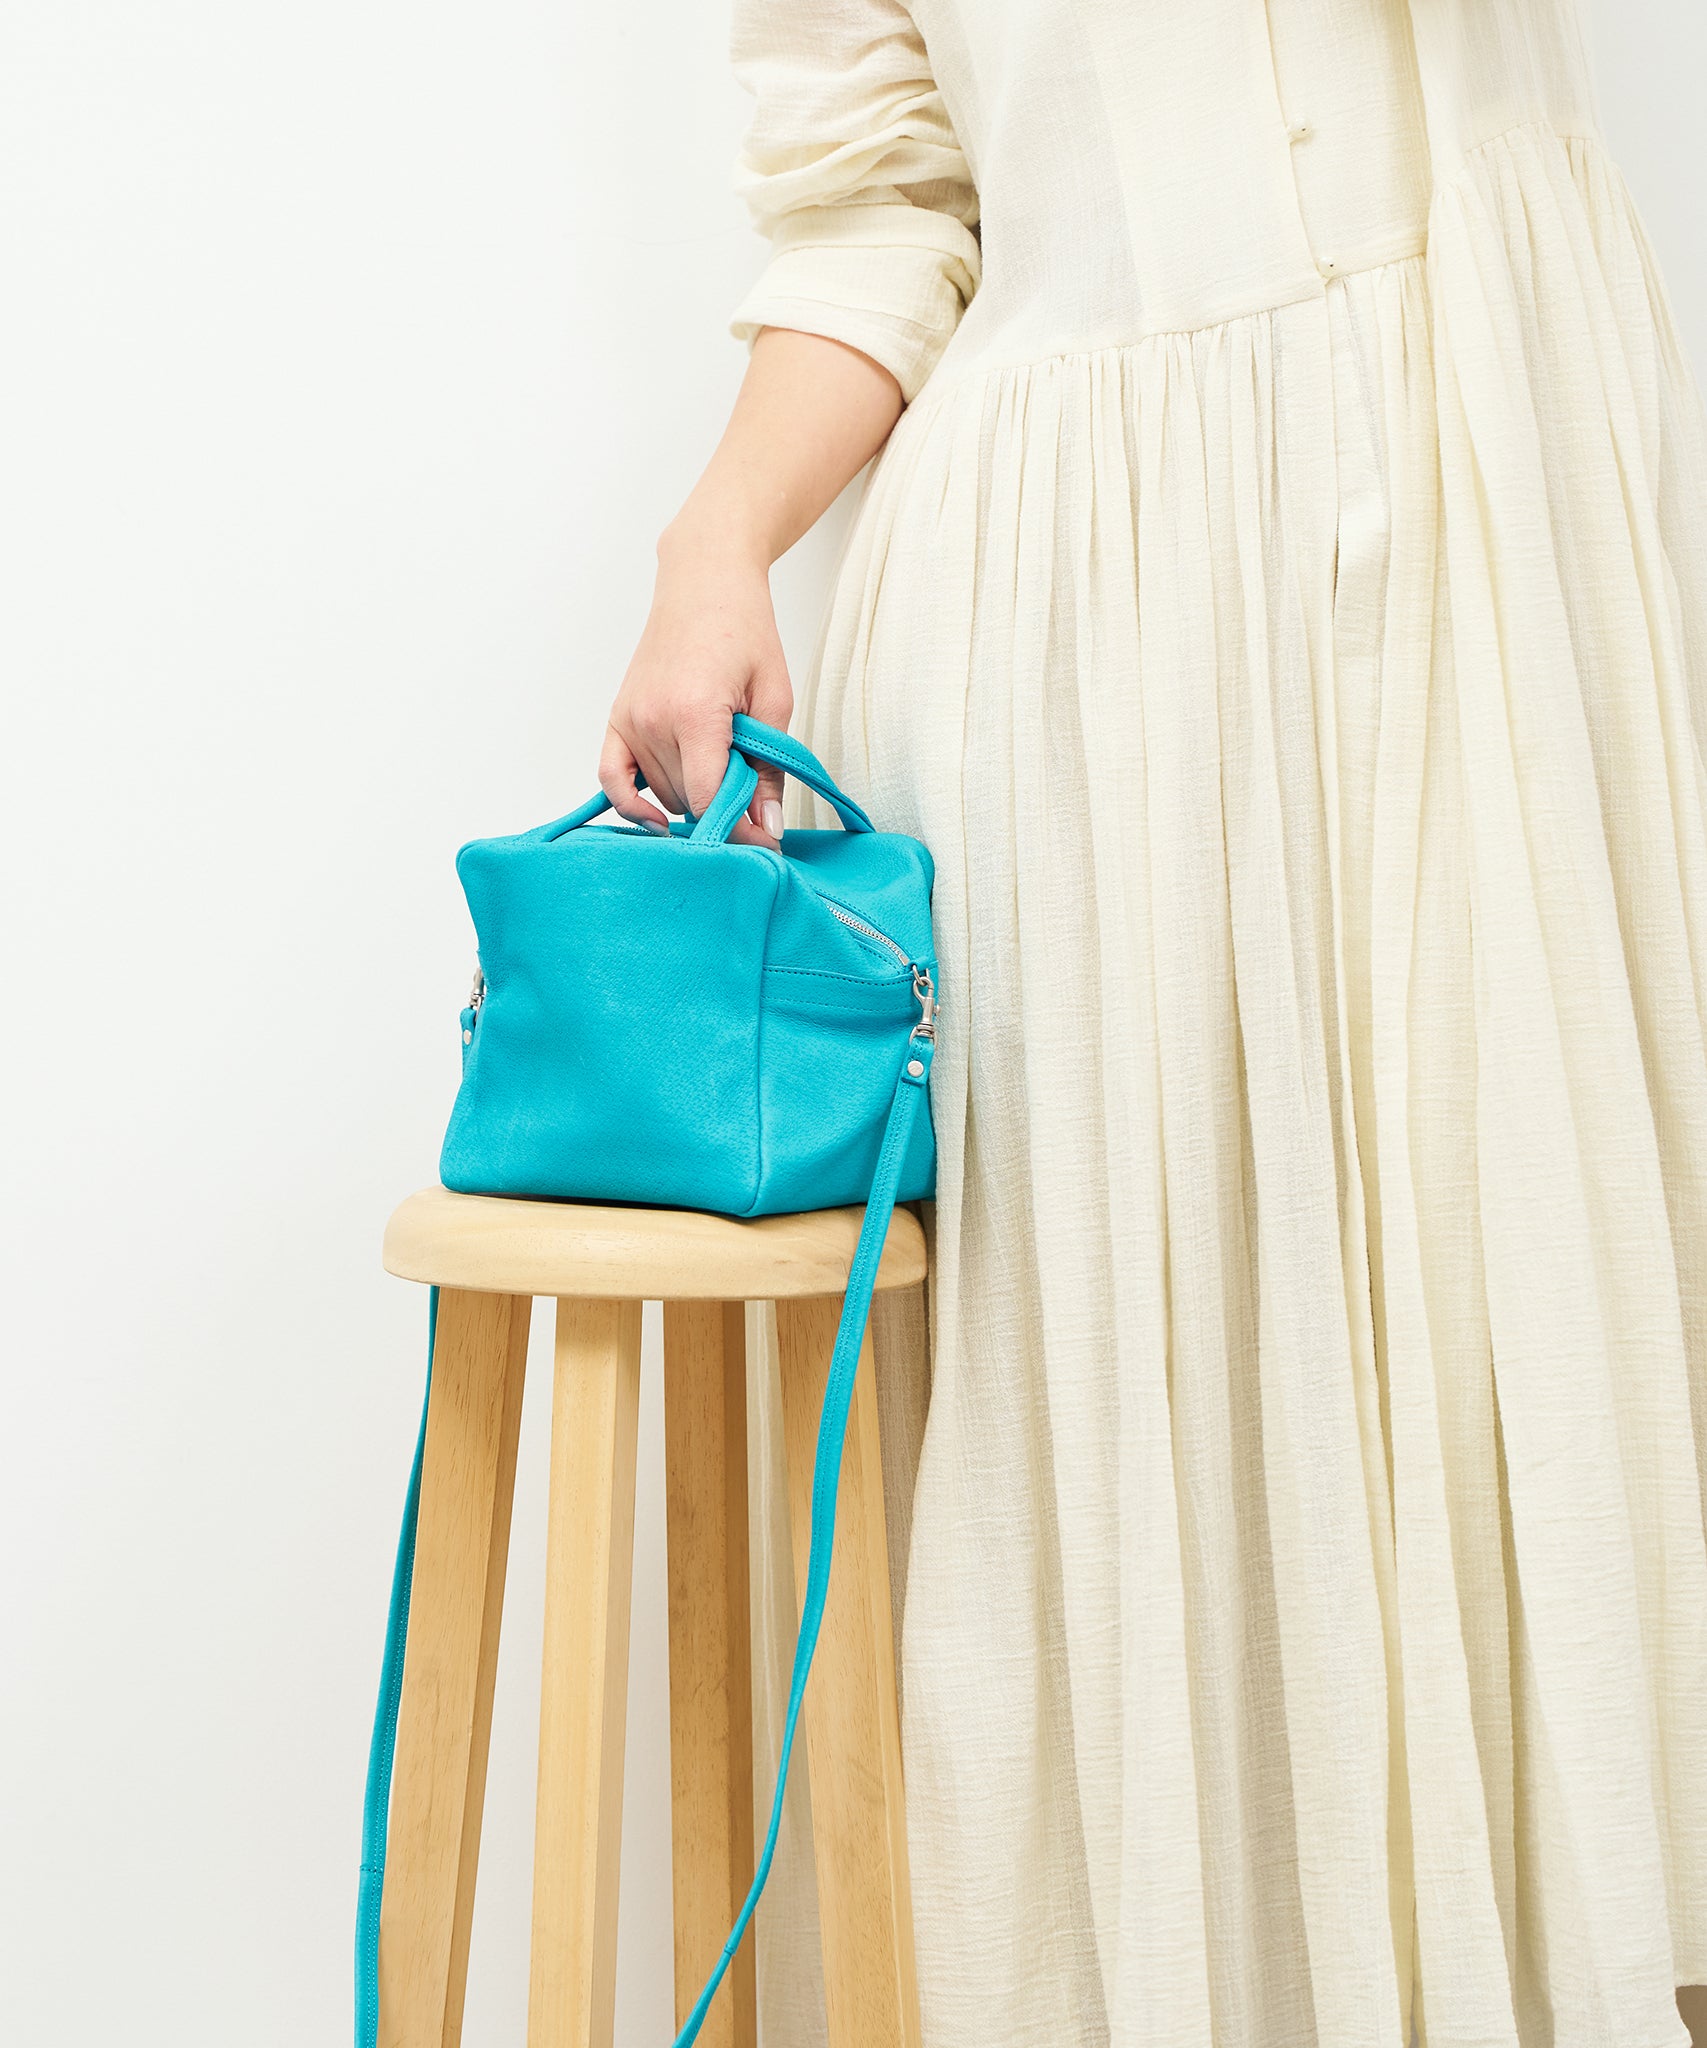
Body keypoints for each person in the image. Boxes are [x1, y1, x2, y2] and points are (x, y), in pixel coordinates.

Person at [604, 3, 1707, 2043]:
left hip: (1494, 508)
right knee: (1168, 1406)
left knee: (1524, 1330)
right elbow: (879, 204)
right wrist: (715, 546)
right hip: (1099, 615)